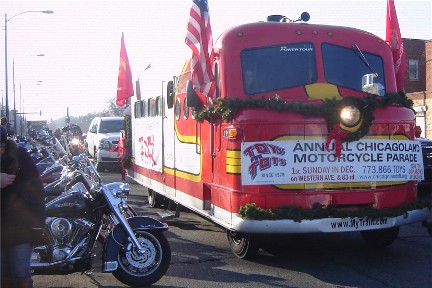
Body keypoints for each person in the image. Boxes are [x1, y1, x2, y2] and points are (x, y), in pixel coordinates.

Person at [1, 126, 46, 288]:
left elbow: (37, 191)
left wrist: (37, 225)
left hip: (21, 227)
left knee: (20, 275)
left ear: (5, 145)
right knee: (3, 277)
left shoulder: (20, 156)